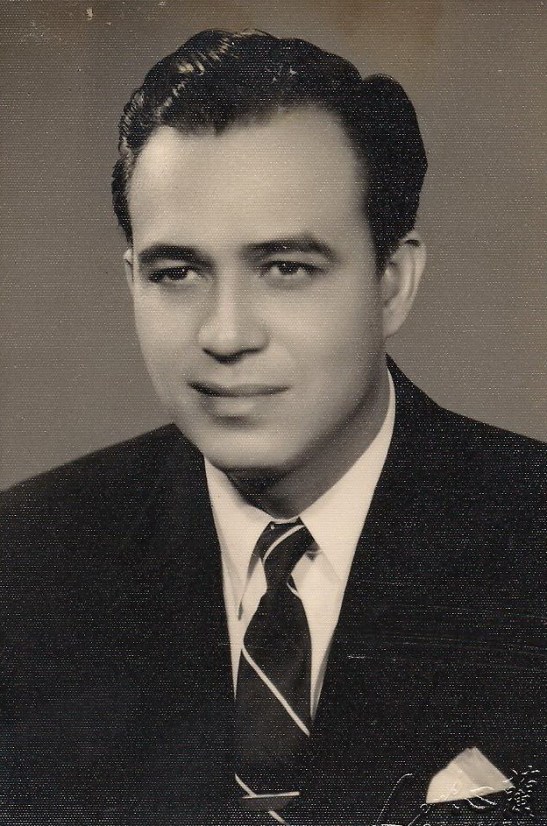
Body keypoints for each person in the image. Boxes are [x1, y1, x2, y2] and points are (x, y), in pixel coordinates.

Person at [1, 29, 545, 826]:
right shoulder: (25, 563)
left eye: (286, 268)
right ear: (131, 282)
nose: (225, 334)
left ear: (391, 284)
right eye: (176, 272)